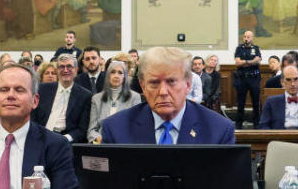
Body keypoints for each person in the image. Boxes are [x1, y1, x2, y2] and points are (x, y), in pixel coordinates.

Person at [101, 46, 235, 145]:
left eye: (171, 82)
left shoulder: (218, 131)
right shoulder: (116, 129)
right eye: (154, 83)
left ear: (188, 84)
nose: (163, 92)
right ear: (143, 86)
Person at [31, 54, 91, 143]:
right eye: (61, 67)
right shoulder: (42, 89)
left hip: (65, 140)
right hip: (40, 136)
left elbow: (82, 129)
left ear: (76, 70)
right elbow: (32, 116)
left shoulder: (85, 95)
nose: (65, 70)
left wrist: (65, 139)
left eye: (69, 66)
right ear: (57, 70)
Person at [87, 60, 141, 142]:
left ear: (124, 77)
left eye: (120, 73)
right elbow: (91, 131)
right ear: (108, 76)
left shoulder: (135, 97)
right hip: (102, 144)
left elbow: (137, 128)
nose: (116, 76)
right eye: (113, 72)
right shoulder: (96, 99)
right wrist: (101, 140)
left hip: (125, 145)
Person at [258, 65, 298, 130]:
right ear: (282, 82)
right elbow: (263, 126)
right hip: (277, 138)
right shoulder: (271, 102)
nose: (293, 84)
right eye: (288, 80)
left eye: (296, 79)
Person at [233, 30, 262, 129]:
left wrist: (244, 62)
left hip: (254, 78)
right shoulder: (239, 48)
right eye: (245, 36)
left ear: (252, 38)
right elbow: (237, 63)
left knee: (255, 102)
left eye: (248, 37)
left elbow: (258, 61)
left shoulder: (256, 48)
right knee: (241, 102)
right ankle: (239, 123)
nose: (246, 38)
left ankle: (256, 123)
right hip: (242, 78)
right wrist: (251, 61)